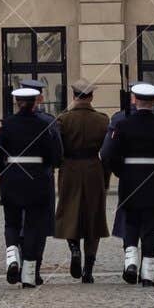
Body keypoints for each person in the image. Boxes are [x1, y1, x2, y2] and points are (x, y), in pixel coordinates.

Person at [101, 81, 154, 287]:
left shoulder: (122, 124)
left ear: (134, 100)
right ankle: (148, 274)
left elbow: (110, 154)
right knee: (151, 227)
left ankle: (131, 262)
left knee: (131, 223)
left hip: (130, 179)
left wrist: (121, 172)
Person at [0, 86, 63, 288]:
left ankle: (13, 255)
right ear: (35, 102)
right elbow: (56, 156)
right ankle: (29, 275)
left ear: (17, 103)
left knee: (12, 223)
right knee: (33, 226)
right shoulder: (44, 125)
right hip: (37, 179)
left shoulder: (7, 125)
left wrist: (2, 171)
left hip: (12, 178)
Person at [54, 81, 110, 282]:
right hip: (94, 169)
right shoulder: (103, 120)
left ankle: (74, 248)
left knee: (70, 212)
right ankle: (88, 271)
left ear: (74, 96)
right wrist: (106, 177)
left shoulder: (63, 120)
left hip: (70, 169)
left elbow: (56, 148)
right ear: (91, 97)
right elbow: (109, 152)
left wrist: (60, 164)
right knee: (93, 218)